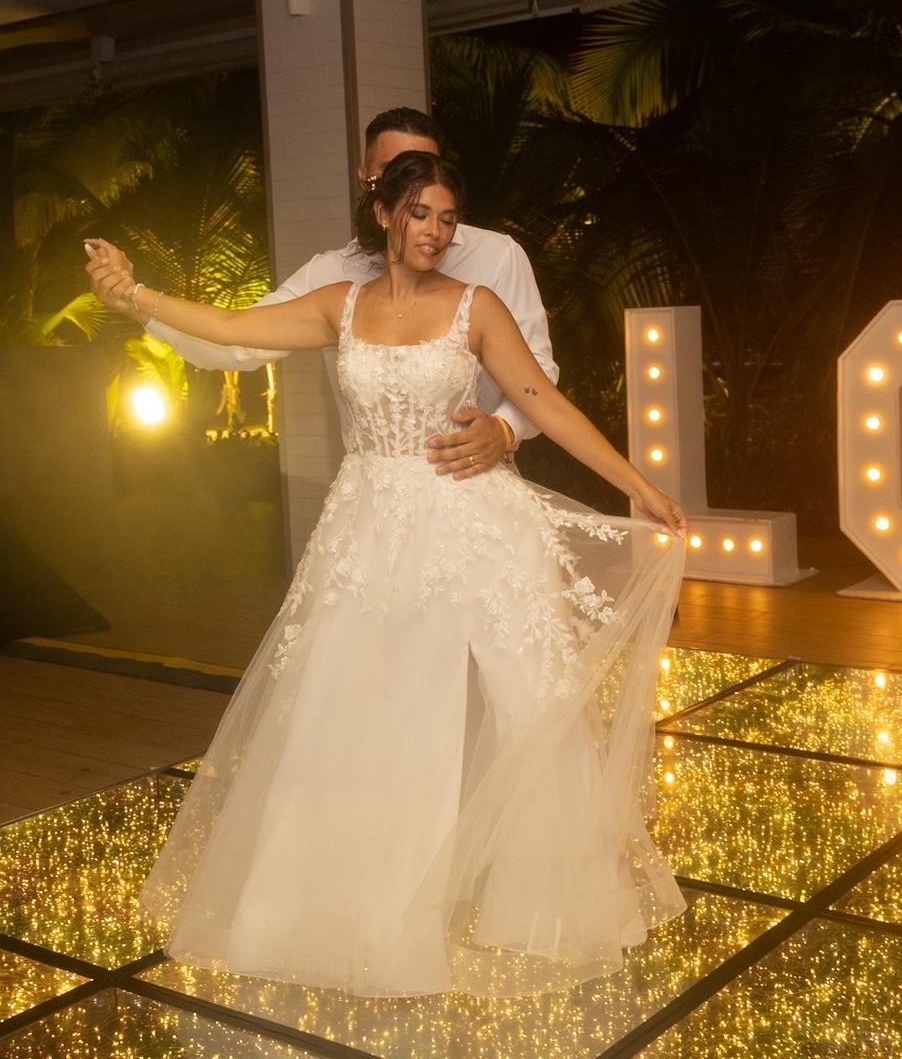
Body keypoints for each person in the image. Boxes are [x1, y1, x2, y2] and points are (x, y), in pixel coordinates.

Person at [86, 152, 689, 998]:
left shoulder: (476, 305)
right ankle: (349, 912)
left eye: (446, 217)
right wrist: (133, 296)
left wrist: (639, 486)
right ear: (383, 214)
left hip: (472, 522)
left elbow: (543, 403)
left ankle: (551, 908)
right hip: (368, 531)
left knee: (532, 704)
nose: (434, 232)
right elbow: (229, 326)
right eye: (418, 213)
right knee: (354, 710)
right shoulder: (340, 303)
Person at [139, 107, 556, 479]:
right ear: (366, 180)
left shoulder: (497, 256)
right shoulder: (330, 276)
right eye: (393, 172)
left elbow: (538, 371)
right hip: (373, 496)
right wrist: (136, 303)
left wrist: (504, 428)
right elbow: (236, 342)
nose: (409, 184)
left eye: (420, 168)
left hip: (474, 487)